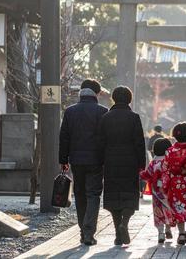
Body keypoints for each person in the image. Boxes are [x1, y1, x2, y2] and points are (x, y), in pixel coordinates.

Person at [59, 79, 108, 246]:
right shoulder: (103, 111)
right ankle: (89, 232)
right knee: (93, 194)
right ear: (96, 93)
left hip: (76, 160)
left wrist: (63, 160)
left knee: (79, 195)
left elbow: (64, 137)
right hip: (96, 160)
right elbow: (105, 139)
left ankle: (83, 230)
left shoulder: (70, 111)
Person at [98, 86, 146, 246]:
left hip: (111, 161)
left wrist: (101, 162)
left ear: (114, 98)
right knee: (129, 195)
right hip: (130, 162)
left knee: (113, 197)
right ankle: (124, 223)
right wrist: (141, 163)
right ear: (129, 99)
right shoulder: (134, 117)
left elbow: (101, 142)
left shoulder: (106, 117)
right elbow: (140, 142)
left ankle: (118, 236)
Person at [140, 138, 176, 243]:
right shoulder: (170, 161)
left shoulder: (154, 162)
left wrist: (140, 172)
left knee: (158, 211)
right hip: (170, 190)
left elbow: (147, 174)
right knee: (169, 209)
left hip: (157, 191)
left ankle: (161, 233)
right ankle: (168, 229)